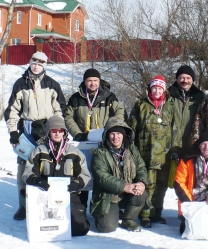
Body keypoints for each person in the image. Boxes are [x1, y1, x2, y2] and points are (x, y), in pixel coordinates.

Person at [4, 51, 66, 220]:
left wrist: (58, 130)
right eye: (34, 62)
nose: (36, 66)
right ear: (30, 63)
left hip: (46, 129)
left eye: (40, 63)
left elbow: (60, 110)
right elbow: (12, 111)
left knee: (47, 166)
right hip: (27, 130)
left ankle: (48, 204)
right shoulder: (20, 84)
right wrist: (13, 133)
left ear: (44, 65)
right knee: (23, 168)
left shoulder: (52, 84)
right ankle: (23, 206)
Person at [64, 68, 126, 210]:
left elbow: (119, 112)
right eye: (89, 80)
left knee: (103, 174)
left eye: (95, 80)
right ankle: (80, 208)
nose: (92, 83)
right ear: (85, 82)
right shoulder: (76, 98)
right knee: (82, 173)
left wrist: (111, 130)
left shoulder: (109, 97)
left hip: (103, 142)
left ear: (99, 81)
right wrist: (77, 133)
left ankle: (102, 207)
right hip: (82, 142)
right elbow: (68, 116)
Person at [22, 116, 90, 236]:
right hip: (44, 194)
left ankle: (78, 214)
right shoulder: (38, 151)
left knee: (80, 230)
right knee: (44, 228)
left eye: (60, 130)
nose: (57, 133)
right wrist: (37, 181)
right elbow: (27, 172)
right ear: (48, 132)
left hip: (68, 194)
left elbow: (85, 174)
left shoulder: (74, 152)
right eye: (54, 130)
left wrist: (77, 183)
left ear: (64, 132)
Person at [128, 75, 181, 228]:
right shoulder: (141, 105)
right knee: (148, 185)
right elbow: (132, 129)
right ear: (150, 88)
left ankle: (157, 213)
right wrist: (132, 151)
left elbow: (175, 130)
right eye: (154, 87)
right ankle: (145, 215)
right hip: (146, 154)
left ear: (163, 89)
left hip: (165, 155)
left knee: (161, 186)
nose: (157, 90)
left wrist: (175, 150)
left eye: (160, 88)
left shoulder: (170, 106)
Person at [90, 117, 148, 233]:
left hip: (128, 193)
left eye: (118, 133)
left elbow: (141, 167)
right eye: (112, 134)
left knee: (141, 194)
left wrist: (141, 182)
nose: (115, 137)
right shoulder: (100, 153)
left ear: (123, 134)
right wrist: (125, 186)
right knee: (106, 228)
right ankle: (109, 214)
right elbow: (102, 177)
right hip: (108, 197)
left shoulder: (132, 149)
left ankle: (128, 219)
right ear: (107, 135)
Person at [168, 65, 207, 158]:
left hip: (192, 144)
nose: (185, 81)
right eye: (181, 77)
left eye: (188, 78)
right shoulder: (167, 96)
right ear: (177, 79)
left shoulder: (200, 97)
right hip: (170, 144)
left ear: (192, 80)